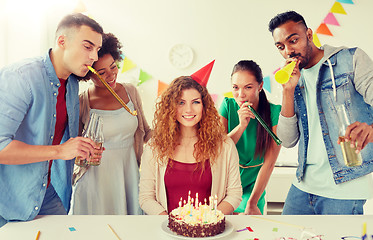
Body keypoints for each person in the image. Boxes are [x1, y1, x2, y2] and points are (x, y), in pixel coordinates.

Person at [0, 13, 104, 227]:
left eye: (97, 50)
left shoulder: (72, 84)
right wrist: (60, 150)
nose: (94, 56)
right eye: (87, 47)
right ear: (62, 41)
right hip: (8, 199)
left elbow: (56, 140)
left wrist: (79, 151)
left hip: (47, 192)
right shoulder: (20, 77)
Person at [268, 10, 373, 215]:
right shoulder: (293, 79)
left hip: (346, 186)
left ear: (309, 34)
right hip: (304, 185)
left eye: (294, 40)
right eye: (281, 47)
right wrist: (288, 91)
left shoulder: (350, 59)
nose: (288, 51)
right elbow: (287, 140)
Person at [139, 70, 242, 215]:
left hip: (210, 232)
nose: (188, 109)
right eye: (181, 102)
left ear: (204, 106)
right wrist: (172, 223)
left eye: (195, 102)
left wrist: (208, 222)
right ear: (170, 107)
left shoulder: (224, 146)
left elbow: (234, 194)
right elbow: (146, 197)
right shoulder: (154, 147)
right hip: (168, 231)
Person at [70, 33, 151, 215]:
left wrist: (172, 126)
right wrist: (83, 157)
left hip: (128, 174)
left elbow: (145, 133)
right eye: (101, 72)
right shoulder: (82, 102)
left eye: (113, 67)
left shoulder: (131, 91)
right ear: (88, 74)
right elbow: (74, 150)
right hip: (94, 180)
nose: (111, 75)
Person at [219, 60, 282, 215]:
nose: (240, 94)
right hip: (225, 182)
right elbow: (219, 151)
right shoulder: (227, 105)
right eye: (235, 88)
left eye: (248, 87)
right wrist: (241, 126)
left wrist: (253, 202)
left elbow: (269, 163)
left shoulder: (274, 112)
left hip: (254, 186)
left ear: (260, 86)